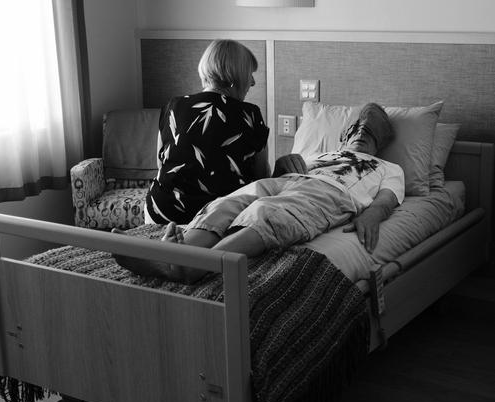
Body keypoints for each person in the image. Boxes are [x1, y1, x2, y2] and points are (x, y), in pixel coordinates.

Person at [115, 102, 405, 284]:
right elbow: (276, 174)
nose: (362, 130)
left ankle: (191, 269)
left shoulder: (388, 168)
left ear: (381, 141)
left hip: (331, 193)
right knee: (229, 204)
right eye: (358, 126)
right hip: (291, 179)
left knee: (268, 214)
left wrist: (373, 216)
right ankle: (179, 252)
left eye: (371, 130)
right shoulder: (323, 152)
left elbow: (386, 200)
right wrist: (282, 165)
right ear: (345, 133)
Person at [145, 39, 270, 225]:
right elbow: (262, 178)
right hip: (214, 217)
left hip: (161, 210)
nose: (252, 82)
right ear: (234, 75)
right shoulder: (250, 114)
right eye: (249, 74)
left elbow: (160, 163)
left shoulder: (173, 106)